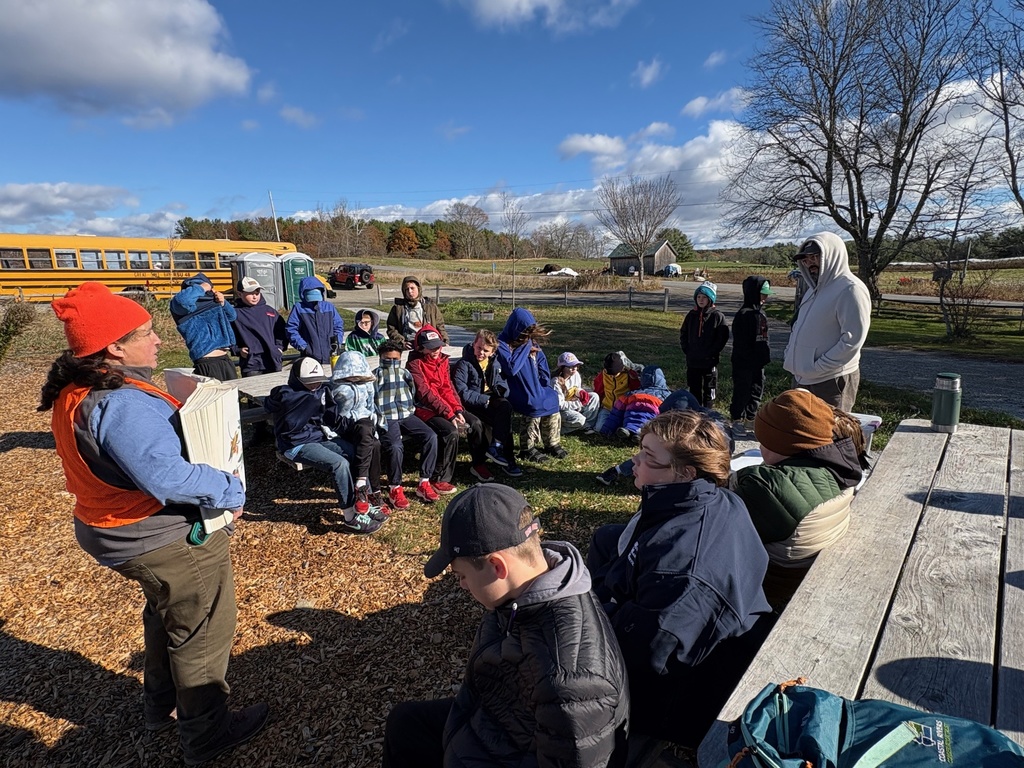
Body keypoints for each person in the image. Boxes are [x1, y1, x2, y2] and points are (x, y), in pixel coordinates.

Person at [40, 282, 269, 766]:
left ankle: (159, 706)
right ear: (114, 347)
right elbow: (165, 476)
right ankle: (206, 733)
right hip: (157, 535)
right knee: (202, 628)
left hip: (107, 526)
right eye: (145, 333)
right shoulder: (122, 402)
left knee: (166, 614)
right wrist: (230, 489)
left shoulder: (81, 388)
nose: (159, 340)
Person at [382, 484, 630, 768]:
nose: (461, 585)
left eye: (461, 575)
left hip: (514, 743)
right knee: (405, 723)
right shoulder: (521, 592)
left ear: (498, 566)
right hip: (502, 719)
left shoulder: (570, 683)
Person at [588, 410, 773, 756]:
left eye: (649, 456)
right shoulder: (712, 498)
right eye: (640, 449)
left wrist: (591, 617)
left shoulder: (683, 573)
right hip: (695, 627)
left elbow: (649, 654)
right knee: (606, 538)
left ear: (685, 472)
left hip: (686, 686)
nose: (635, 460)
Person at [732, 389, 865, 609]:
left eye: (763, 439)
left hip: (771, 588)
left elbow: (714, 526)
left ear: (782, 443)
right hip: (803, 573)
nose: (759, 445)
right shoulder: (840, 469)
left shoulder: (767, 486)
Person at [264, 357, 385, 534]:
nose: (314, 385)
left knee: (354, 452)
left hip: (317, 437)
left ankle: (362, 503)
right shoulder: (286, 394)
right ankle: (350, 517)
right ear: (297, 380)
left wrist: (355, 428)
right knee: (339, 464)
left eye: (317, 381)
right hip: (294, 443)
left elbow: (332, 417)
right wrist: (274, 400)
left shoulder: (322, 390)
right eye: (309, 382)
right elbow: (269, 404)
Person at [784, 232, 872, 412]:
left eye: (816, 256)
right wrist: (792, 357)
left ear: (833, 255)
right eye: (806, 259)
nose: (810, 263)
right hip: (802, 378)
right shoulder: (812, 290)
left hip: (830, 381)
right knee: (800, 435)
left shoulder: (850, 289)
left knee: (830, 437)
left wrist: (817, 367)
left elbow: (852, 341)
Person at [406, 325, 484, 492]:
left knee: (476, 423)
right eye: (431, 347)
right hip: (424, 408)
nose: (436, 350)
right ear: (420, 347)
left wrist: (457, 409)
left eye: (438, 345)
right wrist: (449, 414)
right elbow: (425, 393)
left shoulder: (442, 360)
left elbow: (447, 387)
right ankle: (439, 477)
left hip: (445, 406)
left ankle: (478, 464)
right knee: (450, 432)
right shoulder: (415, 363)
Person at [374, 340, 441, 507]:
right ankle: (394, 487)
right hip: (387, 416)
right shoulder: (375, 376)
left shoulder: (405, 374)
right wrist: (378, 419)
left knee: (430, 436)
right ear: (381, 358)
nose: (392, 363)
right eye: (388, 360)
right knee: (395, 446)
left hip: (405, 413)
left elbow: (412, 391)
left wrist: (410, 408)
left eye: (396, 360)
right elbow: (371, 399)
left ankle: (424, 482)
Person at [496, 307, 566, 464]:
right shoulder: (502, 344)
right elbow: (511, 368)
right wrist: (525, 348)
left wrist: (544, 382)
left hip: (536, 385)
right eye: (523, 333)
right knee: (533, 403)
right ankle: (527, 447)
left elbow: (542, 363)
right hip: (515, 388)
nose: (525, 337)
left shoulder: (529, 342)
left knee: (552, 398)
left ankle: (551, 442)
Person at [452, 329, 524, 479]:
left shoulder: (495, 363)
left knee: (505, 409)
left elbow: (502, 383)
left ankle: (499, 450)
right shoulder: (464, 364)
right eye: (478, 348)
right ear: (473, 345)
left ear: (492, 352)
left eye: (486, 350)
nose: (481, 353)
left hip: (490, 398)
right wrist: (486, 400)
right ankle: (481, 462)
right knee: (479, 424)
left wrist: (501, 391)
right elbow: (462, 392)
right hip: (471, 404)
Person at [330, 351, 391, 518]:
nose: (354, 379)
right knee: (368, 435)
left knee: (375, 443)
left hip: (365, 426)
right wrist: (329, 431)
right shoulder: (335, 387)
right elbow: (328, 412)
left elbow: (371, 407)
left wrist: (378, 425)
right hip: (344, 427)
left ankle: (371, 490)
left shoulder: (368, 385)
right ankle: (363, 485)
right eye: (351, 375)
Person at [170, 272, 239, 381]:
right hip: (207, 362)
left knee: (233, 396)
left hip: (224, 359)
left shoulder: (210, 302)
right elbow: (182, 301)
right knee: (214, 397)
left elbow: (232, 316)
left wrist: (223, 303)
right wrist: (202, 287)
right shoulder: (182, 306)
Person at [730, 276, 773, 433]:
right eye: (763, 293)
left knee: (756, 390)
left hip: (758, 363)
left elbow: (764, 339)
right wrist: (749, 357)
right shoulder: (744, 315)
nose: (766, 297)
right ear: (753, 293)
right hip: (744, 362)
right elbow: (741, 342)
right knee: (742, 390)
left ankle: (750, 418)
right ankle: (737, 419)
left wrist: (764, 357)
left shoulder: (760, 314)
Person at [679, 281, 729, 408]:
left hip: (709, 361)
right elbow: (683, 332)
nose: (701, 300)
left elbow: (722, 338)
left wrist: (712, 352)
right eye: (699, 297)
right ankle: (695, 411)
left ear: (710, 299)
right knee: (694, 387)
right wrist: (687, 349)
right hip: (693, 360)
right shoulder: (691, 315)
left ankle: (708, 412)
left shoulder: (717, 316)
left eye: (704, 297)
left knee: (709, 388)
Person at [230, 276, 287, 377]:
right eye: (250, 294)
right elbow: (228, 334)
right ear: (240, 294)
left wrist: (279, 347)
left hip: (273, 360)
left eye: (257, 293)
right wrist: (237, 350)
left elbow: (281, 331)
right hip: (251, 363)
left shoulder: (270, 311)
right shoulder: (235, 314)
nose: (255, 296)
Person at [598, 364, 672, 442]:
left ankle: (628, 429)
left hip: (635, 403)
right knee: (647, 420)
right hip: (653, 413)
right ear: (662, 379)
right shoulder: (666, 395)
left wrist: (606, 430)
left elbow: (616, 412)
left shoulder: (633, 393)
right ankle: (639, 433)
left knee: (632, 418)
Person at [286, 276, 345, 365]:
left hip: (331, 355)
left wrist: (337, 342)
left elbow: (338, 326)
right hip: (309, 358)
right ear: (303, 294)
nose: (314, 301)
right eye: (311, 297)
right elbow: (291, 329)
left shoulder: (329, 307)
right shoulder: (299, 308)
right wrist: (304, 346)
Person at [386, 275, 448, 349]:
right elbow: (391, 328)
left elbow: (440, 325)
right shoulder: (398, 308)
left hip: (428, 344)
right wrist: (401, 342)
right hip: (408, 345)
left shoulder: (430, 307)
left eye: (412, 288)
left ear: (418, 289)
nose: (410, 291)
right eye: (407, 289)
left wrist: (445, 341)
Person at [552, 351, 600, 435]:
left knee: (594, 396)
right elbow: (560, 405)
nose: (574, 368)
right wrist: (579, 403)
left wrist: (580, 392)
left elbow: (576, 388)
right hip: (560, 411)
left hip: (573, 404)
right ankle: (558, 430)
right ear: (562, 368)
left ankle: (587, 425)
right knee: (579, 419)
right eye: (570, 366)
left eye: (576, 365)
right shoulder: (555, 382)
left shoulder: (576, 374)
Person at [593, 350, 641, 433]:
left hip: (623, 409)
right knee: (599, 429)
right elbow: (598, 391)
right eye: (609, 373)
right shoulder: (603, 375)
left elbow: (636, 392)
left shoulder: (629, 376)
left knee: (627, 427)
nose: (611, 376)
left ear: (621, 368)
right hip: (607, 408)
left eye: (614, 373)